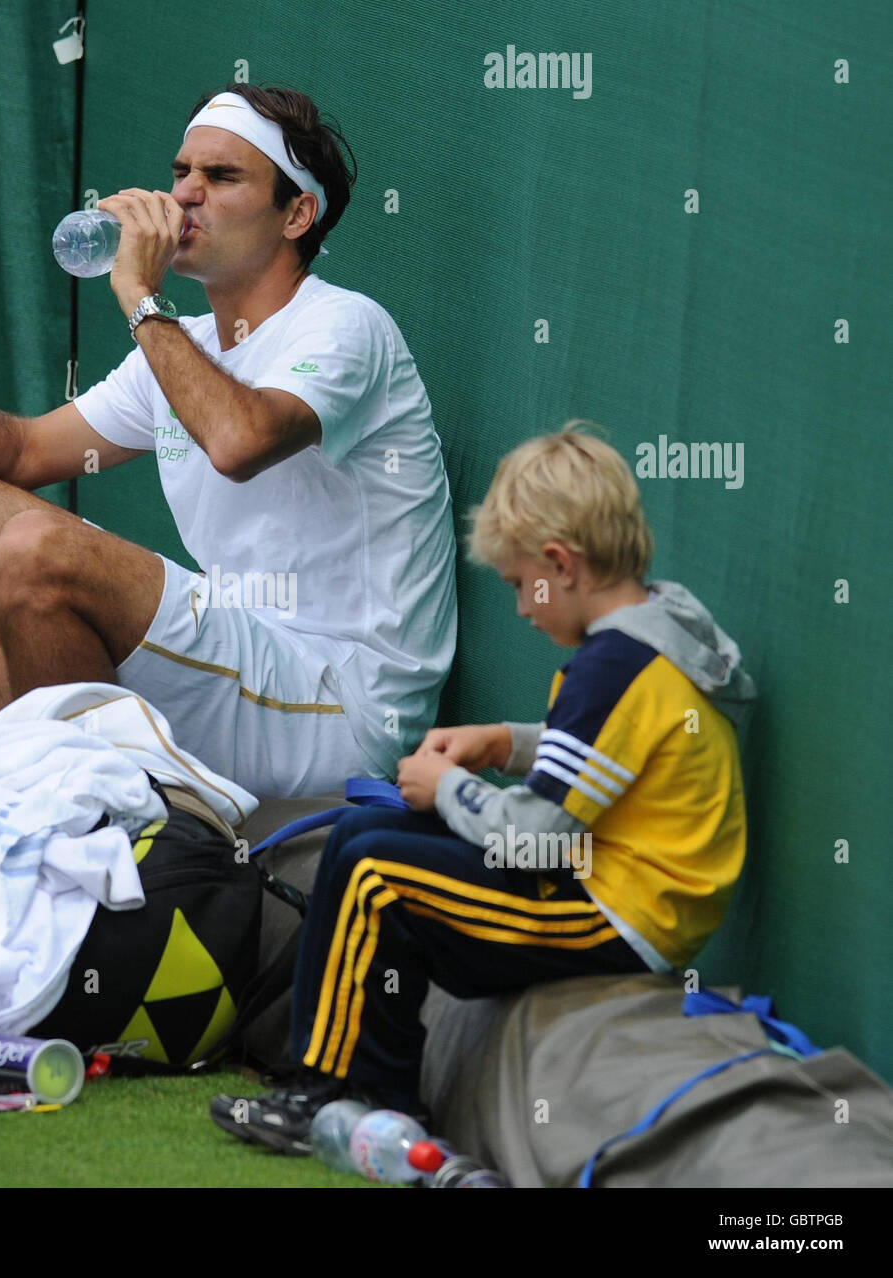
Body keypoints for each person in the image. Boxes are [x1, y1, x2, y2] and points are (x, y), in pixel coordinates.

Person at [0, 83, 456, 799]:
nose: (185, 196)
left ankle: (91, 821)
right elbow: (18, 455)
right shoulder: (187, 344)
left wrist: (139, 296)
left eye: (222, 176)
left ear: (297, 213)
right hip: (240, 668)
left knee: (36, 551)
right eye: (182, 173)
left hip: (344, 708)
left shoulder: (347, 326)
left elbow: (239, 441)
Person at [211, 423, 756, 1153]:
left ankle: (341, 1091)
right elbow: (614, 753)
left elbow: (533, 838)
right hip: (618, 884)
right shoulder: (655, 631)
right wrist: (504, 742)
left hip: (620, 914)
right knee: (360, 835)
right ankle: (377, 1088)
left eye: (518, 584)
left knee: (375, 871)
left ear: (559, 563)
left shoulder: (613, 666)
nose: (523, 610)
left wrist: (447, 787)